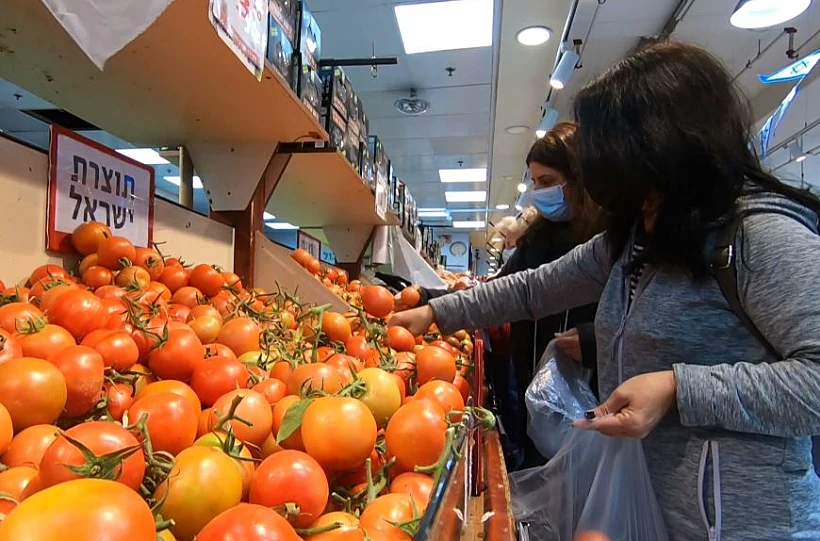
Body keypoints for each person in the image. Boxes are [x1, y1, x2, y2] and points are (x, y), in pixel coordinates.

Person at [390, 41, 820, 541]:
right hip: (643, 507)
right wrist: (435, 314)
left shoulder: (760, 238)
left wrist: (678, 388)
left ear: (659, 144)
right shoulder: (633, 238)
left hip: (747, 522)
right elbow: (533, 289)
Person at [400, 122, 601, 470]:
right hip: (532, 379)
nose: (538, 192)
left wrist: (596, 339)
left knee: (583, 473)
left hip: (592, 390)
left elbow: (637, 314)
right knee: (540, 466)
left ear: (579, 177)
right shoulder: (539, 238)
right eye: (535, 182)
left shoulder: (604, 243)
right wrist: (431, 301)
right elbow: (512, 288)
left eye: (548, 182)